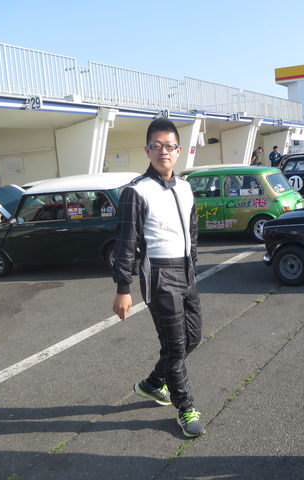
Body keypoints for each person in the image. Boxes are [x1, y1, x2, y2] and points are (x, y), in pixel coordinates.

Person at [112, 118, 204, 438]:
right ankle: (185, 406)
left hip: (185, 271)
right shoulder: (136, 191)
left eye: (169, 146)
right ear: (147, 150)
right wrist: (123, 288)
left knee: (193, 338)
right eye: (157, 146)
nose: (163, 151)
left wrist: (192, 261)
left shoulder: (185, 187)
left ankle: (153, 383)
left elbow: (192, 230)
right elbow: (125, 243)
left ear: (179, 150)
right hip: (159, 274)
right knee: (175, 346)